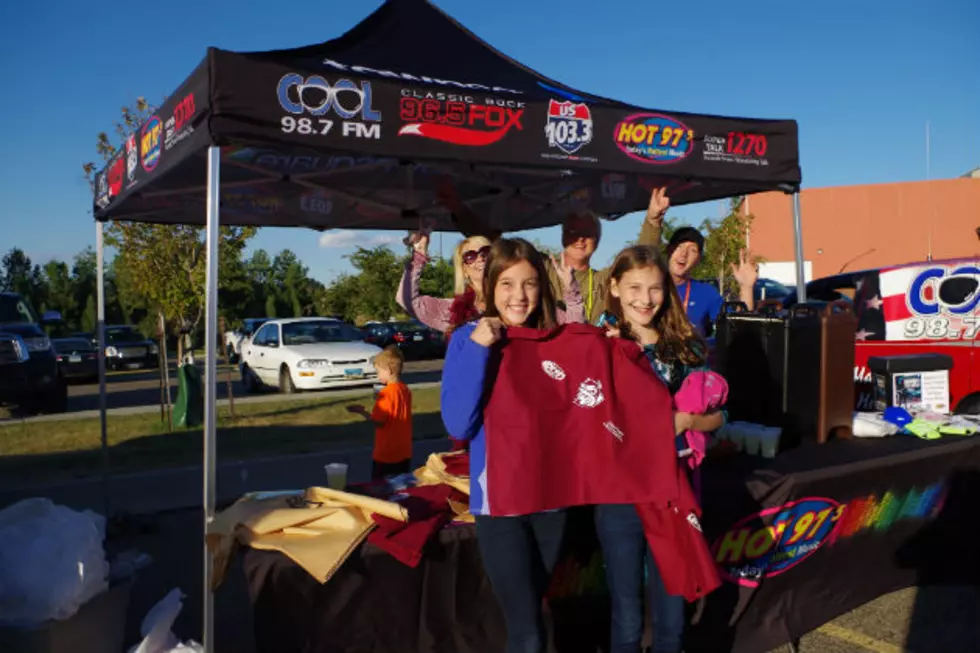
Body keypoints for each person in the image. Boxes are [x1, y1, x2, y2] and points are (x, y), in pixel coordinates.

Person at [440, 238, 569, 653]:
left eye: (530, 283)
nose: (519, 295)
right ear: (490, 286)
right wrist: (479, 348)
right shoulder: (467, 340)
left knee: (536, 612)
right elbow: (458, 423)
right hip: (501, 505)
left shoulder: (558, 341)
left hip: (553, 502)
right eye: (508, 284)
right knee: (526, 630)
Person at [596, 245, 726, 653]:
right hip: (619, 495)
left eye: (655, 288)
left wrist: (686, 421)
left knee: (673, 613)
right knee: (627, 613)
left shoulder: (684, 344)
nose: (645, 299)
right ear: (614, 287)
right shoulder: (597, 344)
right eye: (634, 287)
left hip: (673, 489)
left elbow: (720, 417)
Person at [440, 182, 671, 324]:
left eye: (588, 234)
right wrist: (458, 209)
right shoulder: (541, 266)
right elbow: (494, 242)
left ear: (597, 240)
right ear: (562, 236)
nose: (580, 239)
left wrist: (653, 220)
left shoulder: (603, 279)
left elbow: (640, 265)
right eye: (574, 232)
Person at [396, 232, 583, 334]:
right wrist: (419, 256)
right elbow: (408, 301)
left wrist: (571, 292)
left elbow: (575, 329)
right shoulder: (453, 311)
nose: (479, 259)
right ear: (464, 271)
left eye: (485, 252)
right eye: (469, 256)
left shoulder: (522, 302)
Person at [664, 227, 757, 336]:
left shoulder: (705, 292)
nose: (684, 254)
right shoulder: (651, 286)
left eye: (692, 250)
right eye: (679, 246)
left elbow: (737, 327)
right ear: (669, 250)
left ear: (698, 259)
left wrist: (746, 287)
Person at [346, 346, 413, 480]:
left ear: (388, 370)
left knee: (380, 488)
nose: (377, 375)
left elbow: (379, 421)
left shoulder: (386, 393)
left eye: (378, 372)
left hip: (386, 452)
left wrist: (362, 412)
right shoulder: (405, 390)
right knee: (401, 487)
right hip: (404, 449)